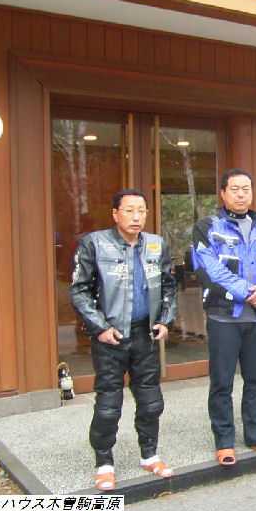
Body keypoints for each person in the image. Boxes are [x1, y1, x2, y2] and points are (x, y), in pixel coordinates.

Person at [69, 189, 177, 491]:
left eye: (141, 210)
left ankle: (149, 454)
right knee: (108, 404)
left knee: (151, 401)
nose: (136, 216)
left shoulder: (156, 244)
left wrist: (165, 320)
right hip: (111, 338)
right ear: (115, 214)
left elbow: (169, 285)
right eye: (129, 210)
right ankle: (104, 462)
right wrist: (100, 327)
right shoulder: (94, 243)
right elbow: (79, 289)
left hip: (145, 335)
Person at [191, 169, 256, 466]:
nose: (241, 194)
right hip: (223, 318)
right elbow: (209, 270)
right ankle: (224, 441)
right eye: (235, 189)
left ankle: (255, 434)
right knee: (222, 383)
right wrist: (248, 292)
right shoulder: (207, 227)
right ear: (223, 193)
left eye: (246, 188)